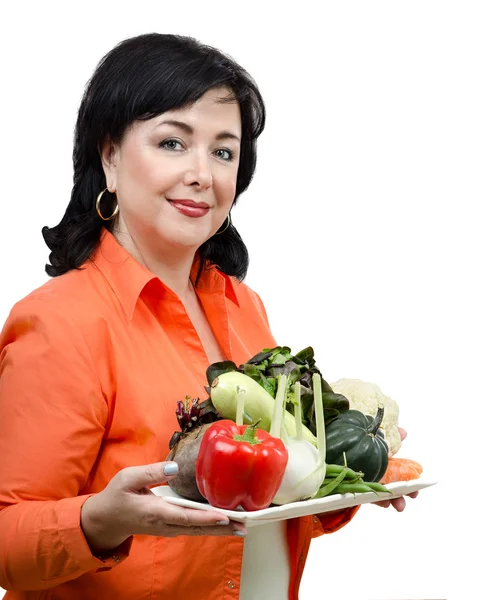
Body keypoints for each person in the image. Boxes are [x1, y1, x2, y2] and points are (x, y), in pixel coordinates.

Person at [0, 33, 416, 600]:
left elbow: (258, 499)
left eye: (224, 151)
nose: (203, 174)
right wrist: (99, 522)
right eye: (173, 143)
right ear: (110, 156)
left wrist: (350, 480)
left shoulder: (243, 307)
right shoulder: (61, 322)